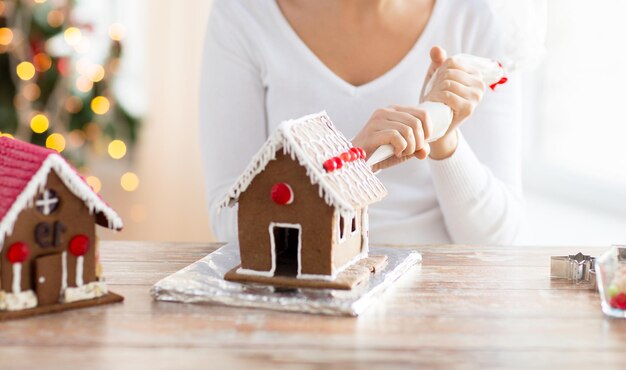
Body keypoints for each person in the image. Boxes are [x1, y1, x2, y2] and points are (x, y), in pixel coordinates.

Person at [200, 0, 523, 245]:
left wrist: (444, 138)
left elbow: (497, 240)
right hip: (300, 291)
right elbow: (231, 222)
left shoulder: (475, 16)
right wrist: (348, 166)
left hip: (440, 302)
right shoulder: (243, 15)